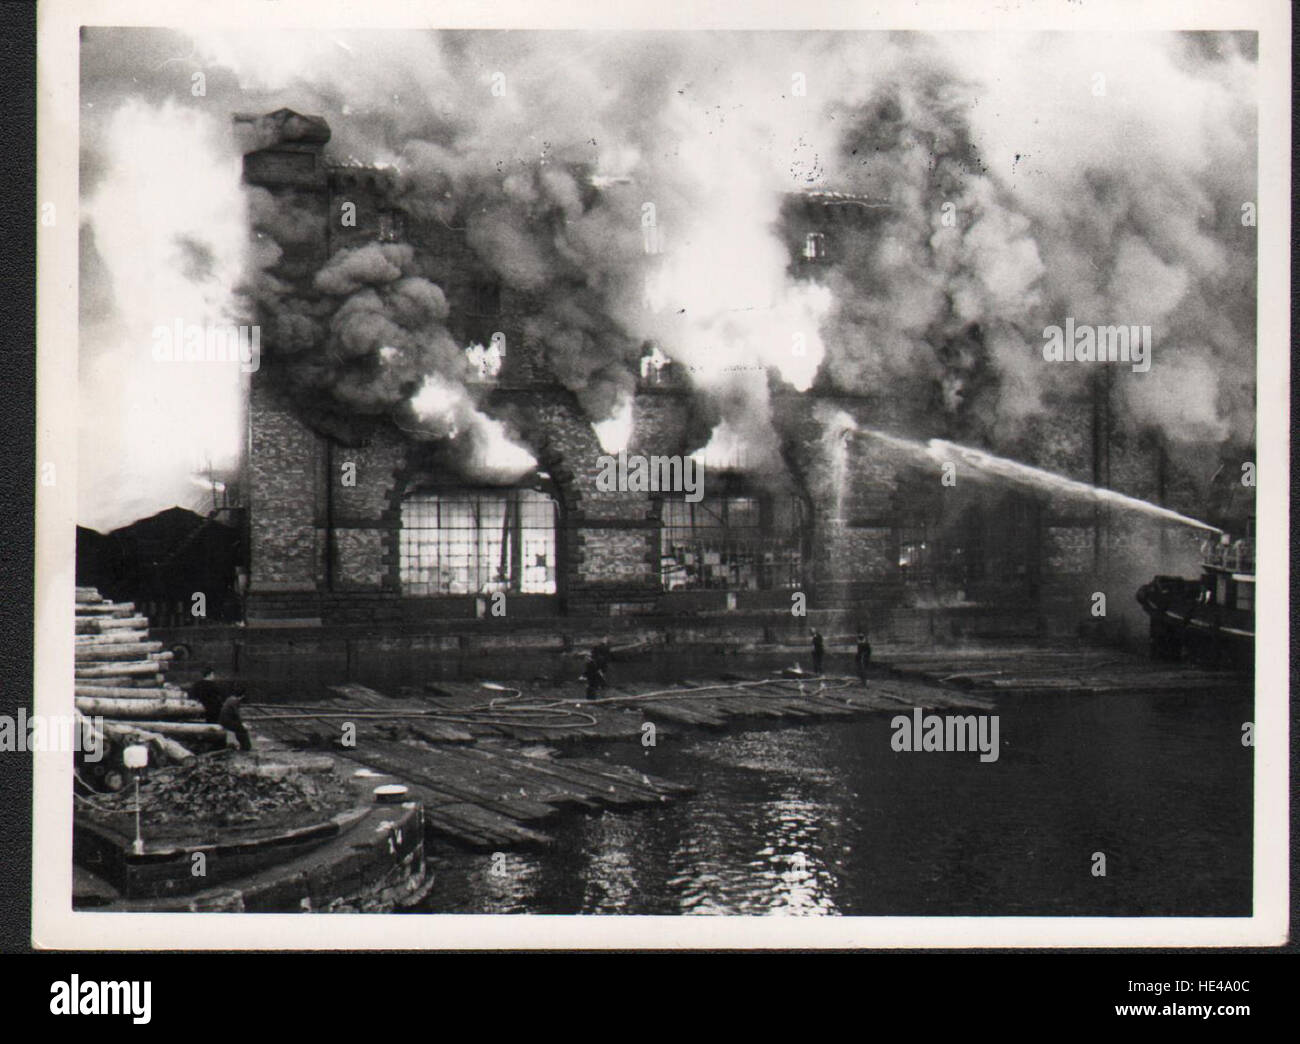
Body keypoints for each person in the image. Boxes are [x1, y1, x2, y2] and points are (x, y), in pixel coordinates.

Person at [218, 686, 253, 751]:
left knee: (240, 727)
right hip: (227, 722)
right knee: (242, 730)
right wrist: (242, 724)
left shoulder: (229, 699)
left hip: (223, 721)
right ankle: (245, 748)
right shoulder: (235, 701)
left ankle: (243, 746)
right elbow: (237, 715)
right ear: (242, 696)